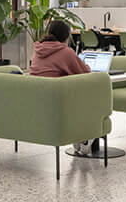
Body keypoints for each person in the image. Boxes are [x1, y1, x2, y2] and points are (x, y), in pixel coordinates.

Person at [30, 20, 96, 156]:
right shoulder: (66, 52)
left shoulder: (38, 49)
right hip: (57, 102)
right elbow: (85, 73)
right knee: (90, 95)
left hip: (37, 99)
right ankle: (84, 137)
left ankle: (79, 137)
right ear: (67, 36)